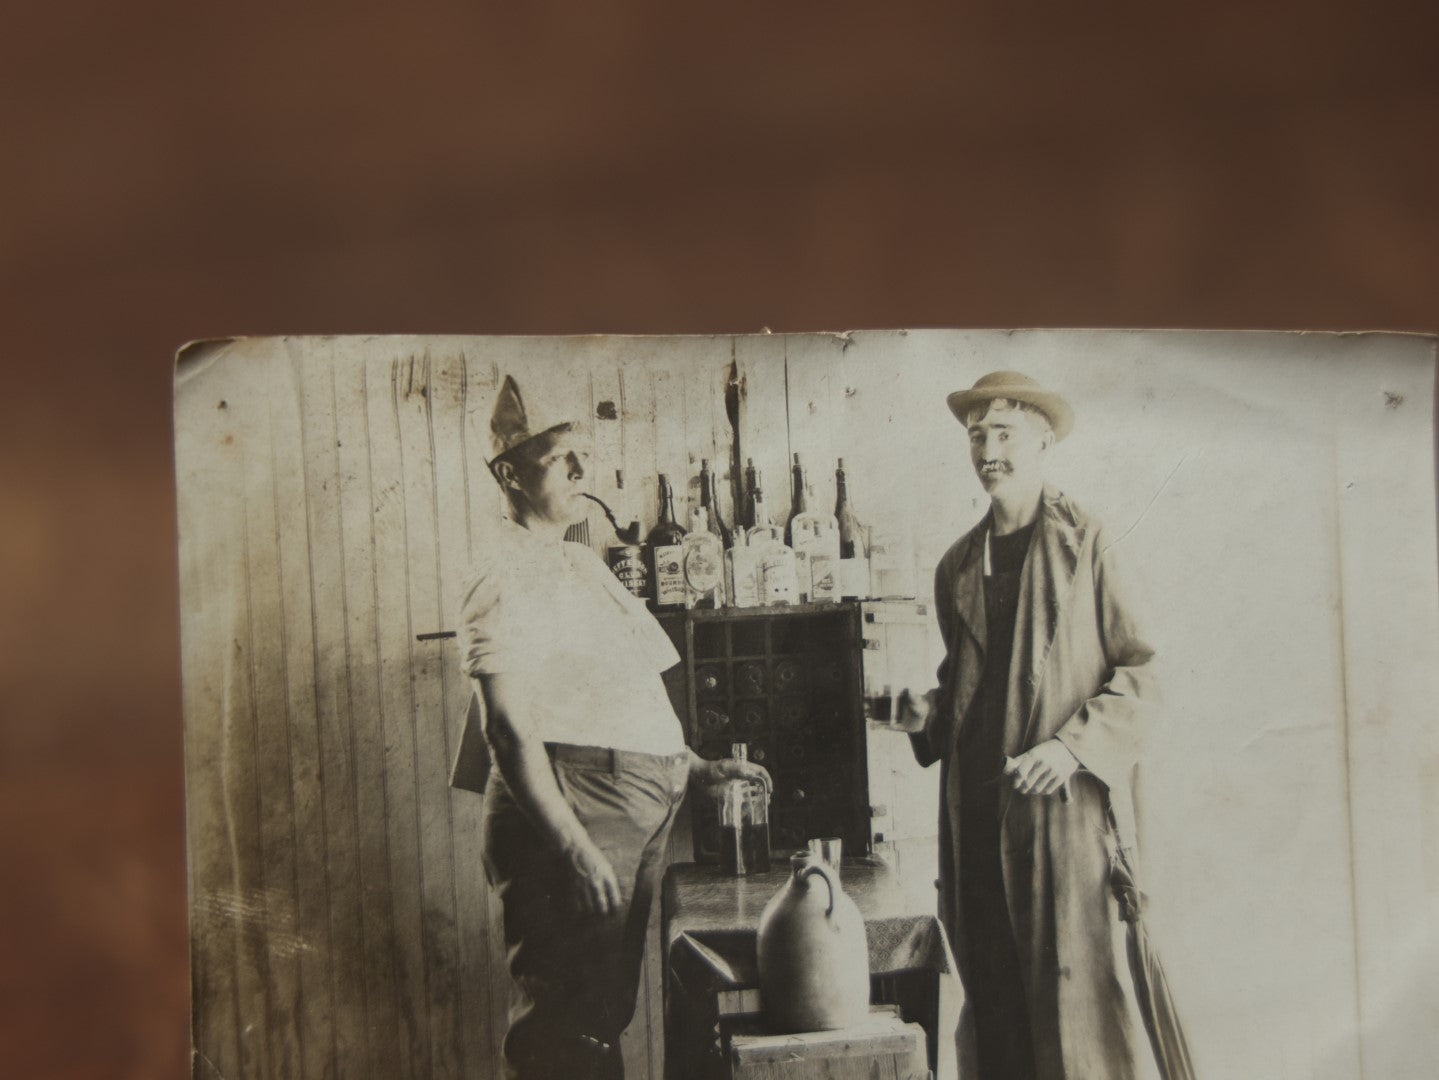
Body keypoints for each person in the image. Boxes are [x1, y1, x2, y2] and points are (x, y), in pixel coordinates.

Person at [452, 375, 770, 1080]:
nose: (577, 471)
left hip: (630, 802)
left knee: (598, 1016)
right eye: (557, 456)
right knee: (564, 1019)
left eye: (580, 457)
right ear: (509, 472)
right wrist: (572, 847)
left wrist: (695, 766)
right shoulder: (502, 572)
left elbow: (624, 695)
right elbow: (505, 731)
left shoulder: (575, 561)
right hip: (577, 805)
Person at [891, 371, 1163, 1079]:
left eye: (1003, 432)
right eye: (976, 434)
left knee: (1074, 1009)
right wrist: (923, 716)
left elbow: (1141, 672)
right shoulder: (956, 564)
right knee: (995, 999)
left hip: (1059, 817)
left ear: (1043, 441)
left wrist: (1072, 748)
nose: (987, 448)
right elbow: (964, 692)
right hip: (975, 816)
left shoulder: (1089, 540)